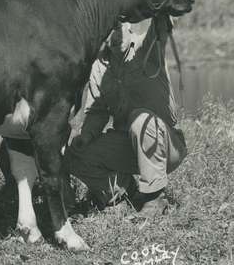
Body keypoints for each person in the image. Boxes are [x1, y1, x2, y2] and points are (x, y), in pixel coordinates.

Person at [65, 14, 187, 218]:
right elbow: (97, 112)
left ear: (129, 28)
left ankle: (154, 198)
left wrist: (160, 3)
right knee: (73, 154)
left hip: (166, 145)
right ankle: (121, 193)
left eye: (117, 25)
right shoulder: (99, 65)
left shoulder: (148, 46)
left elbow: (162, 23)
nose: (113, 32)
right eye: (107, 28)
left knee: (141, 119)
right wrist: (85, 137)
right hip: (126, 145)